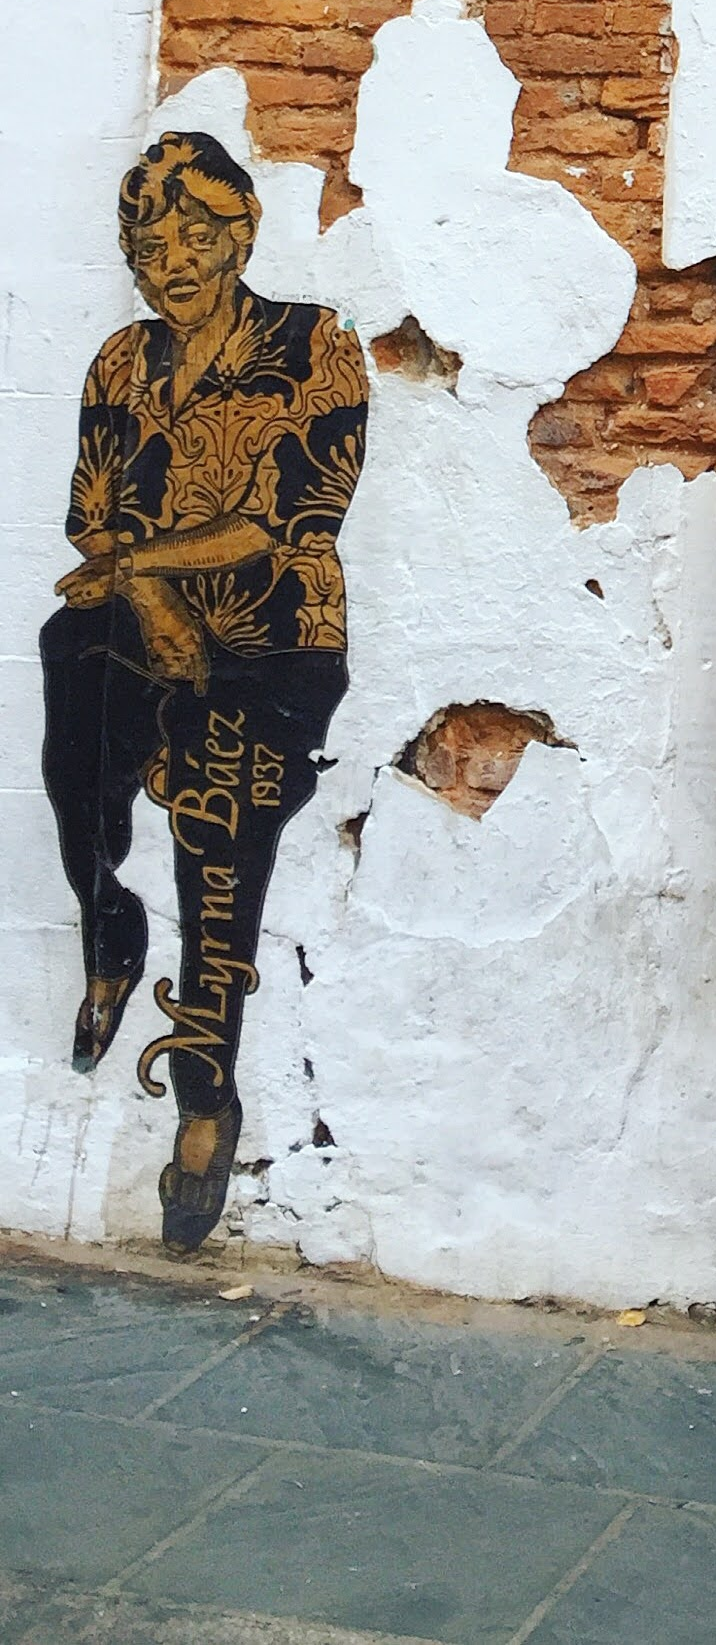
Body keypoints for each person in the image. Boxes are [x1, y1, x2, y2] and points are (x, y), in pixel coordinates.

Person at [40, 131, 368, 1252]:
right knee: (66, 683)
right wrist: (142, 592)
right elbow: (90, 513)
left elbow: (291, 519)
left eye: (192, 231)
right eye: (146, 237)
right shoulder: (119, 362)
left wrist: (141, 569)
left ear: (240, 235)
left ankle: (205, 1100)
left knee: (216, 843)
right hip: (149, 627)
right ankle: (109, 926)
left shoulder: (314, 344)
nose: (167, 255)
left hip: (277, 640)